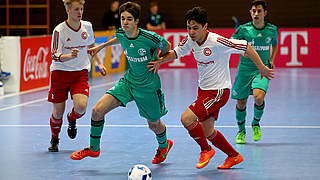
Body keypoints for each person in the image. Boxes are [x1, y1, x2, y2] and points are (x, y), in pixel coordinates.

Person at [147, 7, 274, 169]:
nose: (191, 32)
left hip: (218, 92)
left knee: (186, 119)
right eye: (189, 27)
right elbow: (176, 52)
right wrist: (159, 61)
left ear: (205, 26)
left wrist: (262, 67)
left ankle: (205, 150)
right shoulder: (190, 40)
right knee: (208, 131)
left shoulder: (217, 41)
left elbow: (246, 46)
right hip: (203, 90)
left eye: (195, 28)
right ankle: (234, 156)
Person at [69, 2, 173, 164]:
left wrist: (159, 61)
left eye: (129, 19)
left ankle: (164, 145)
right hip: (128, 82)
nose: (125, 22)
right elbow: (119, 38)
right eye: (123, 18)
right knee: (97, 111)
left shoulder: (149, 37)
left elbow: (168, 47)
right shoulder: (122, 33)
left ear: (137, 21)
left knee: (154, 125)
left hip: (148, 87)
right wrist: (101, 46)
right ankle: (94, 149)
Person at [48, 0, 107, 152]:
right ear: (68, 11)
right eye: (76, 9)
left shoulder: (87, 26)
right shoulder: (59, 30)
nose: (80, 12)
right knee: (57, 113)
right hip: (60, 73)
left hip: (80, 72)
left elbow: (92, 46)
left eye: (81, 9)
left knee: (81, 108)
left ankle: (72, 118)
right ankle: (54, 139)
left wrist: (99, 63)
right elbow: (54, 55)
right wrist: (69, 56)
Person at [231, 0, 278, 144]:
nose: (256, 14)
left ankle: (255, 124)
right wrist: (240, 50)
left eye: (259, 11)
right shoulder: (244, 29)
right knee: (241, 103)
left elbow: (274, 44)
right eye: (253, 11)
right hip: (244, 70)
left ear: (265, 13)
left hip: (261, 69)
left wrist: (271, 60)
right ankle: (241, 131)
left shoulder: (272, 29)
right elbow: (232, 42)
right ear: (250, 13)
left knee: (259, 97)